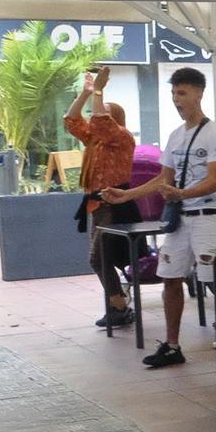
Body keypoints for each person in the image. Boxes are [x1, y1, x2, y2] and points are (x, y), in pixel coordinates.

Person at [100, 66, 216, 371]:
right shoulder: (175, 136)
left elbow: (214, 180)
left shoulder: (215, 133)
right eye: (173, 93)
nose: (176, 99)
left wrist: (181, 194)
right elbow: (163, 179)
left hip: (208, 218)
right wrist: (127, 195)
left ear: (198, 94)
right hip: (180, 219)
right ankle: (172, 346)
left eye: (182, 93)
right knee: (170, 277)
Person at [64, 67, 139, 329]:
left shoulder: (122, 138)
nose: (95, 119)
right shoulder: (96, 140)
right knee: (101, 258)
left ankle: (119, 305)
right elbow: (72, 120)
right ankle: (117, 306)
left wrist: (99, 90)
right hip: (97, 204)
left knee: (99, 258)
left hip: (114, 204)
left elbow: (100, 122)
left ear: (114, 120)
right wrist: (86, 93)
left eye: (102, 113)